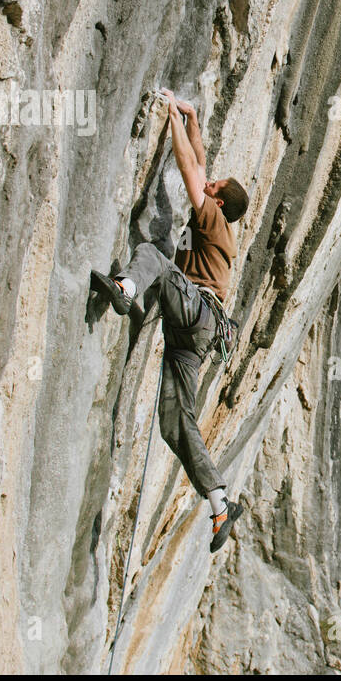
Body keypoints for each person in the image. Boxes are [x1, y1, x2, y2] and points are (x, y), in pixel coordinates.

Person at [91, 88, 250, 552]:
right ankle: (220, 501)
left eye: (215, 189)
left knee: (154, 259)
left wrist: (170, 114)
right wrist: (193, 116)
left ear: (218, 203)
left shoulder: (214, 221)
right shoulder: (215, 224)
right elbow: (200, 161)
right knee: (174, 423)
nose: (209, 183)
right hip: (196, 332)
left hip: (196, 311)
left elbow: (188, 170)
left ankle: (126, 288)